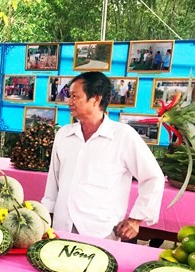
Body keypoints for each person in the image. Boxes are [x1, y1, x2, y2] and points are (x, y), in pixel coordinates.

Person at [42, 71, 165, 241]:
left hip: (100, 231)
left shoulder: (123, 136)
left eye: (75, 96)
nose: (69, 101)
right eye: (69, 96)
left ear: (96, 99)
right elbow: (53, 182)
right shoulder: (63, 135)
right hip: (61, 228)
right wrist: (46, 216)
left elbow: (153, 177)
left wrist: (136, 219)